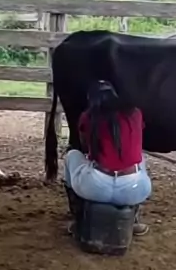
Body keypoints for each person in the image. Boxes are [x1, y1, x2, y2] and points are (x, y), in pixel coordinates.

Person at [64, 80, 152, 236]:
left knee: (72, 155)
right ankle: (133, 221)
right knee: (140, 159)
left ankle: (78, 219)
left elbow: (84, 147)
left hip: (95, 188)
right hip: (134, 190)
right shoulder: (135, 113)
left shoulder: (88, 117)